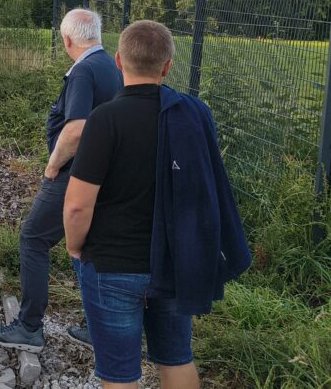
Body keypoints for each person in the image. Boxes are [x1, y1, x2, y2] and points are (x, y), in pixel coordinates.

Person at [63, 20, 251, 389]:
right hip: (175, 260)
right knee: (177, 358)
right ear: (168, 66)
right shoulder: (194, 113)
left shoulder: (105, 119)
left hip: (112, 266)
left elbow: (76, 206)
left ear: (118, 61)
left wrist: (74, 247)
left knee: (120, 374)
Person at [0, 9, 122, 353]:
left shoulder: (83, 71)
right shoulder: (110, 67)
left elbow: (76, 129)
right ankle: (99, 327)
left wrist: (52, 165)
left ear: (67, 39)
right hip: (105, 175)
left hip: (74, 175)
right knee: (90, 246)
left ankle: (30, 328)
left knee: (33, 238)